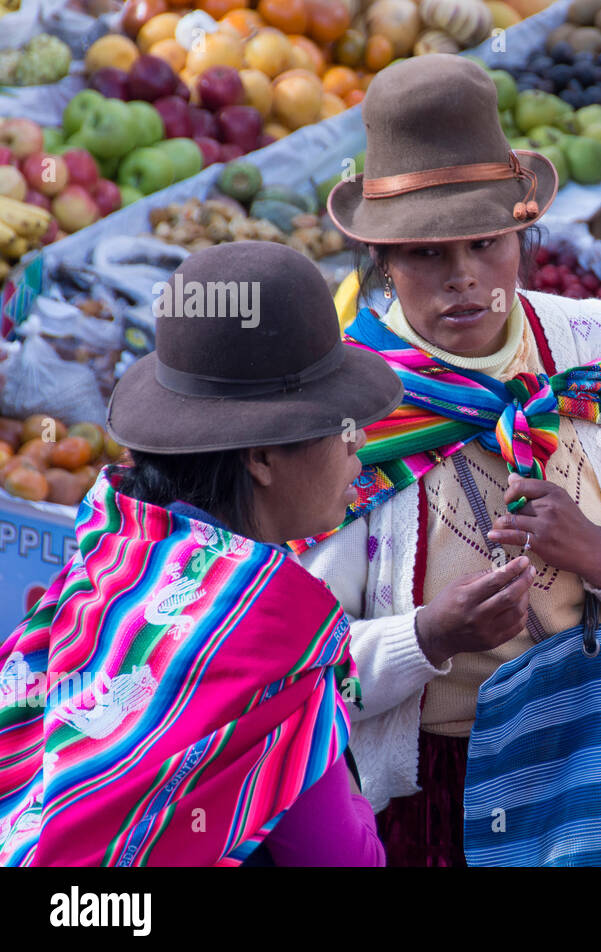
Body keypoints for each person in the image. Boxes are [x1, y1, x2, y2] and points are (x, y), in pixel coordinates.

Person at [297, 55, 601, 867]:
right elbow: (298, 658)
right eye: (428, 253)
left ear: (524, 236)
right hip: (438, 795)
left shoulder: (595, 350)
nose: (464, 277)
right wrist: (428, 637)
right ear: (384, 263)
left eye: (486, 243)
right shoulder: (342, 410)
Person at [0, 242, 399, 866]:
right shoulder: (272, 641)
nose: (361, 449)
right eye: (340, 427)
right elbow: (343, 859)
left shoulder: (114, 553)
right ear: (262, 457)